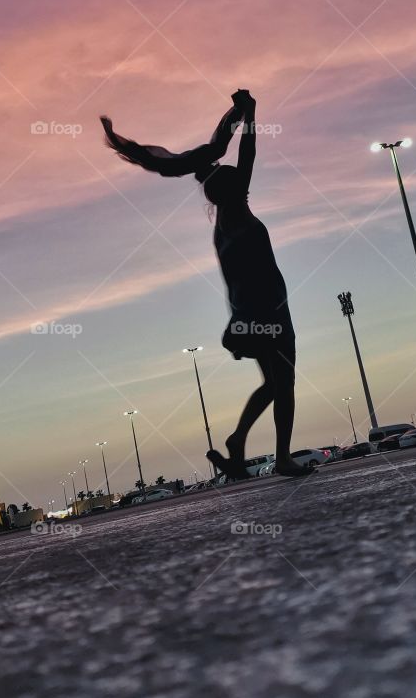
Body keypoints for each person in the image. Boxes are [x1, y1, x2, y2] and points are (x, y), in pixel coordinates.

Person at [101, 90, 314, 480]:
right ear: (230, 190)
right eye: (236, 177)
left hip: (254, 314)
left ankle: (237, 443)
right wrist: (248, 116)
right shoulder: (237, 212)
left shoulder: (225, 224)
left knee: (275, 383)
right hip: (269, 312)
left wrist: (245, 114)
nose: (241, 174)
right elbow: (247, 153)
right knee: (284, 384)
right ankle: (280, 457)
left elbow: (242, 159)